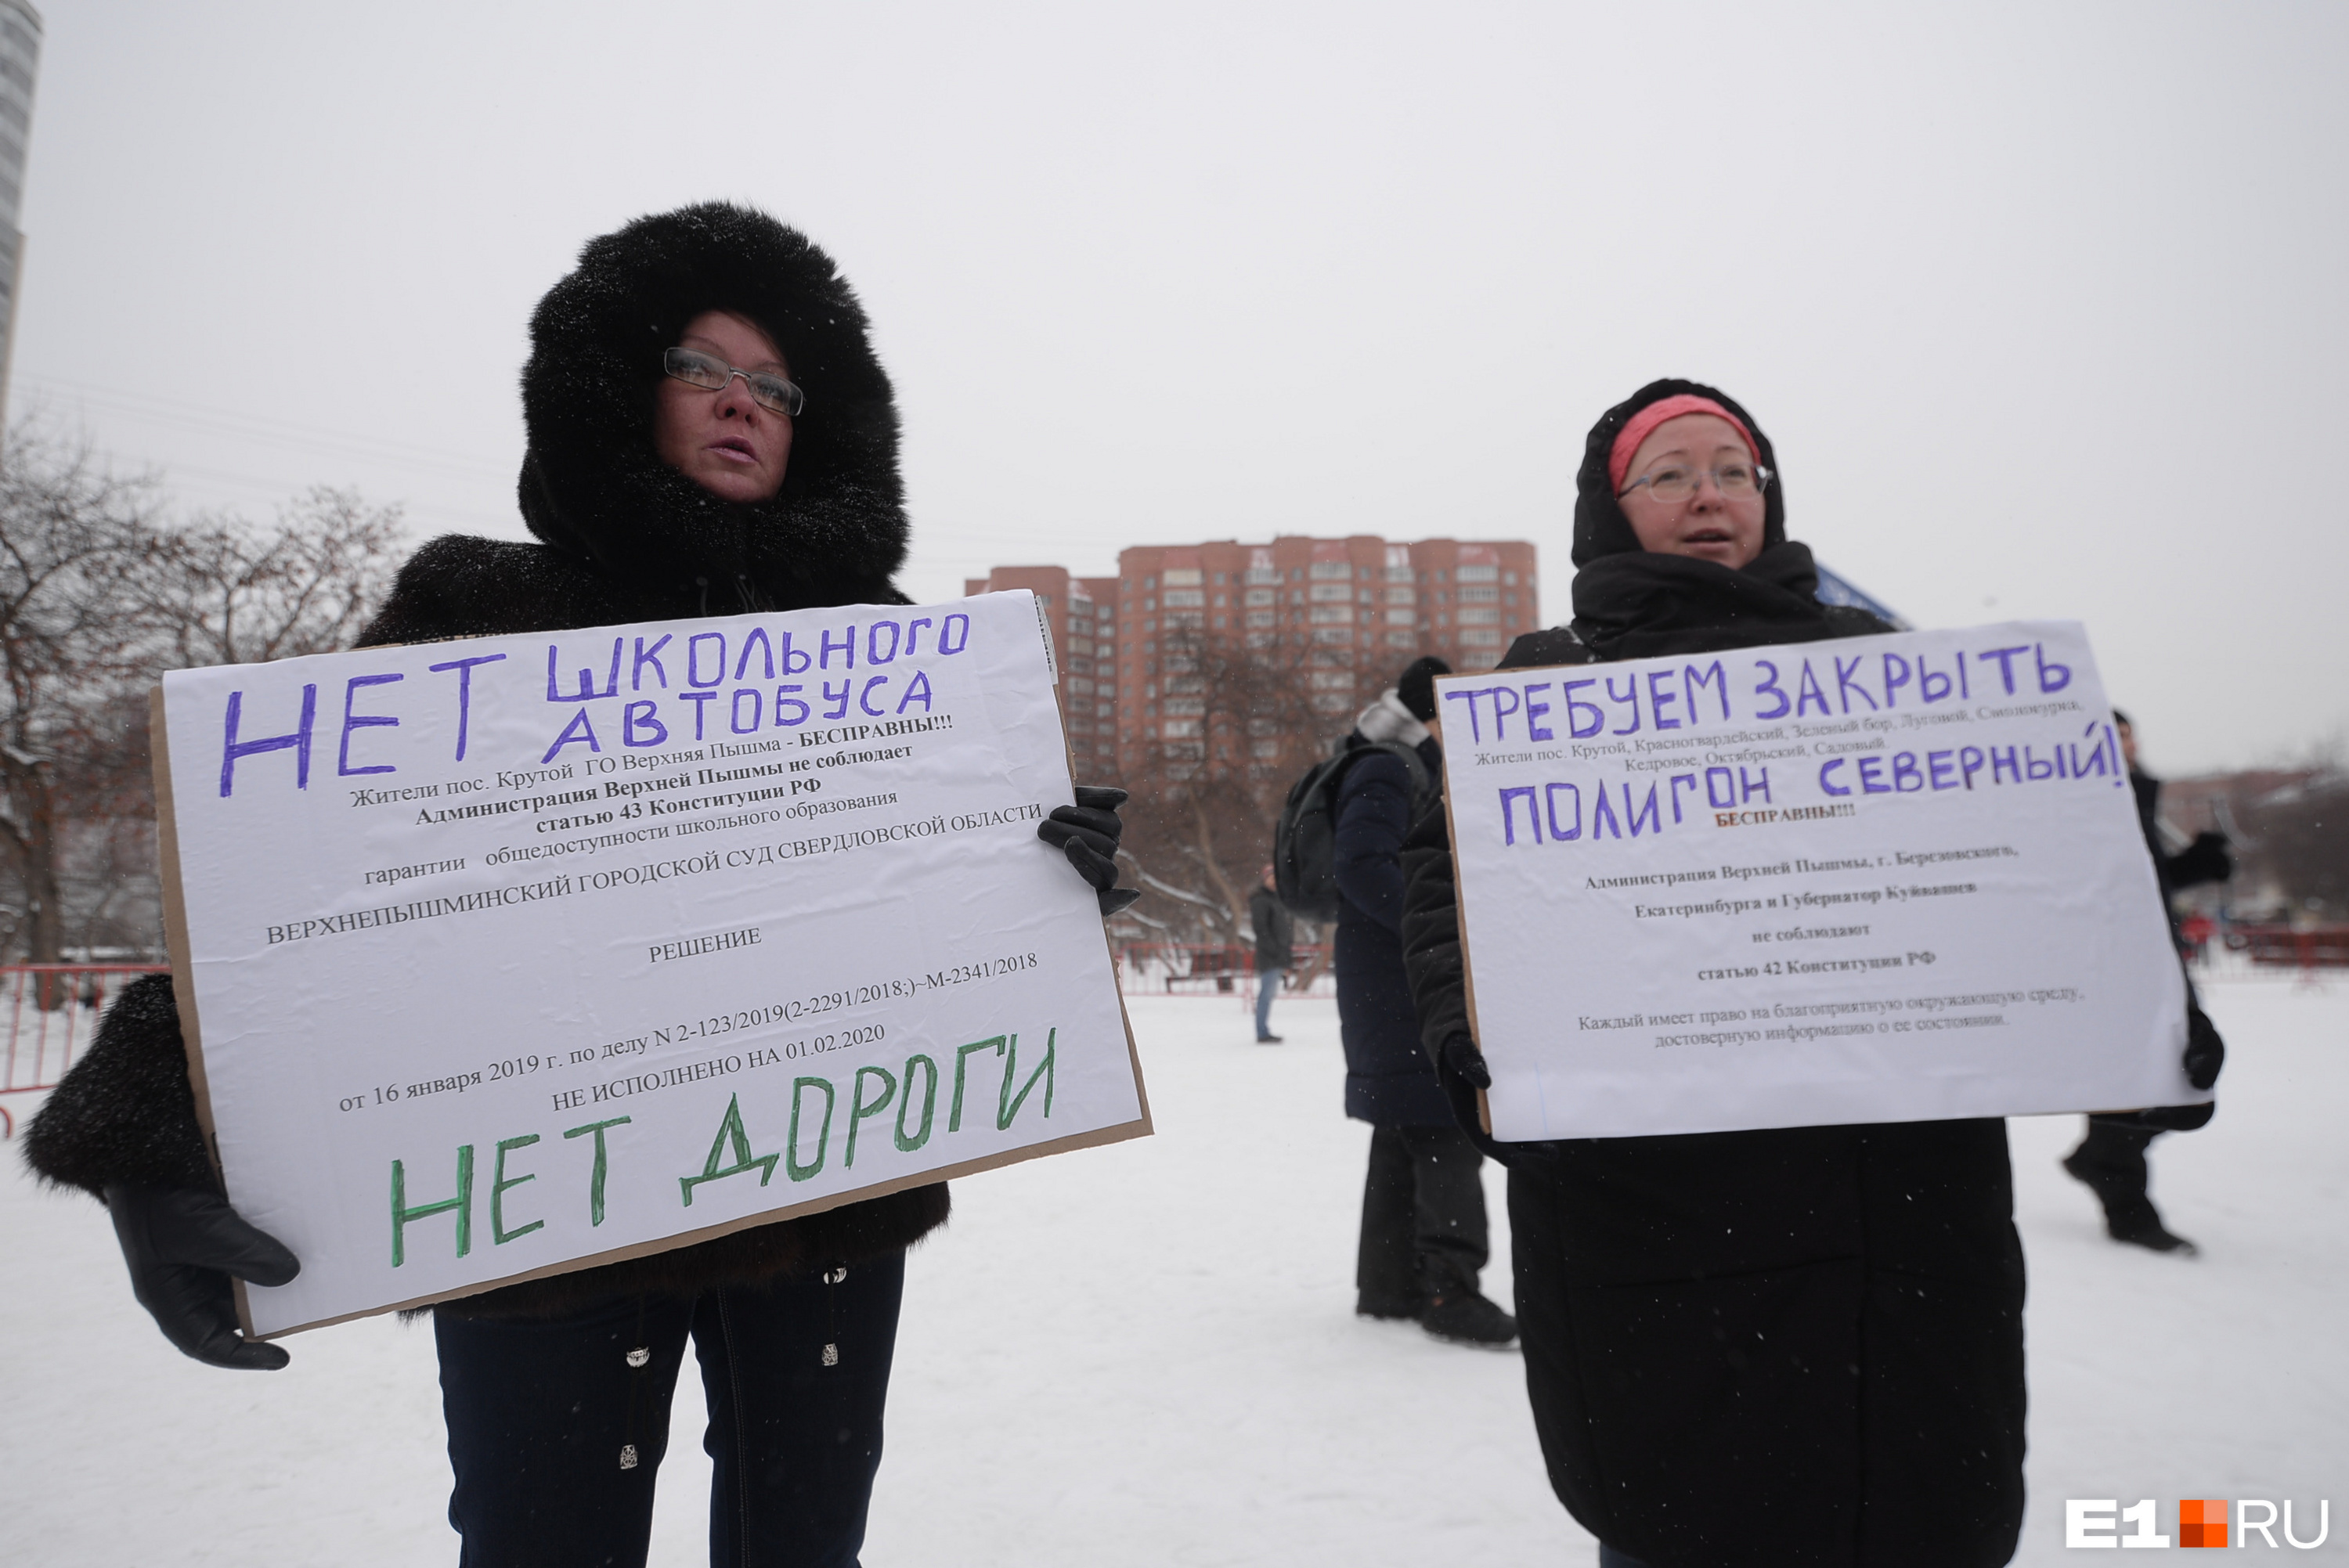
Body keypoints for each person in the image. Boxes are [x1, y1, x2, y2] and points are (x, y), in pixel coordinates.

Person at [24, 202, 1134, 1568]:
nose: (743, 400)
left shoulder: (891, 655)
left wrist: (1047, 872)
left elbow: (940, 891)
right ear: (619, 386)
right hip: (552, 1217)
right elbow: (308, 889)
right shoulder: (478, 613)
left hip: (827, 1195)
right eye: (701, 366)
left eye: (776, 385)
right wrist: (150, 1126)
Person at [1398, 380, 2142, 1566]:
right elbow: (1446, 892)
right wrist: (1468, 1036)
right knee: (1688, 1516)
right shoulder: (1543, 687)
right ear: (1613, 505)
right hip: (1654, 1219)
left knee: (1913, 1505)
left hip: (1902, 1226)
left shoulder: (1882, 667)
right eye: (1671, 472)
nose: (1709, 496)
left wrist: (2137, 1018)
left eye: (1733, 470)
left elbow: (2022, 892)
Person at [1337, 657, 1516, 1348]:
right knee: (1446, 1122)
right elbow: (1357, 863)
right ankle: (1450, 1289)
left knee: (1407, 1127)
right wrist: (1436, 924)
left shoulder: (1391, 761)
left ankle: (1387, 1285)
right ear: (1429, 713)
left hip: (1394, 983)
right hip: (1408, 983)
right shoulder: (1391, 765)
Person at [2059, 709, 2232, 1254]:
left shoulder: (2135, 793)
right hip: (2105, 956)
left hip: (2156, 952)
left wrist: (2195, 865)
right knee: (2142, 1077)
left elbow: (2145, 881)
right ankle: (2125, 1204)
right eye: (2111, 734)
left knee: (2182, 1074)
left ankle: (2103, 1160)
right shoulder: (2076, 797)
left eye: (2128, 732)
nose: (2124, 743)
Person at [1249, 863, 1293, 1043]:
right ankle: (1262, 1032)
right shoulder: (1261, 900)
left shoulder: (1278, 900)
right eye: (1272, 877)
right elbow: (1262, 930)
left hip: (1279, 955)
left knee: (1269, 995)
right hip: (1269, 956)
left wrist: (1286, 959)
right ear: (1265, 879)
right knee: (1265, 995)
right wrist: (1275, 952)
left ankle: (1263, 1029)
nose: (1275, 881)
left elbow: (1284, 931)